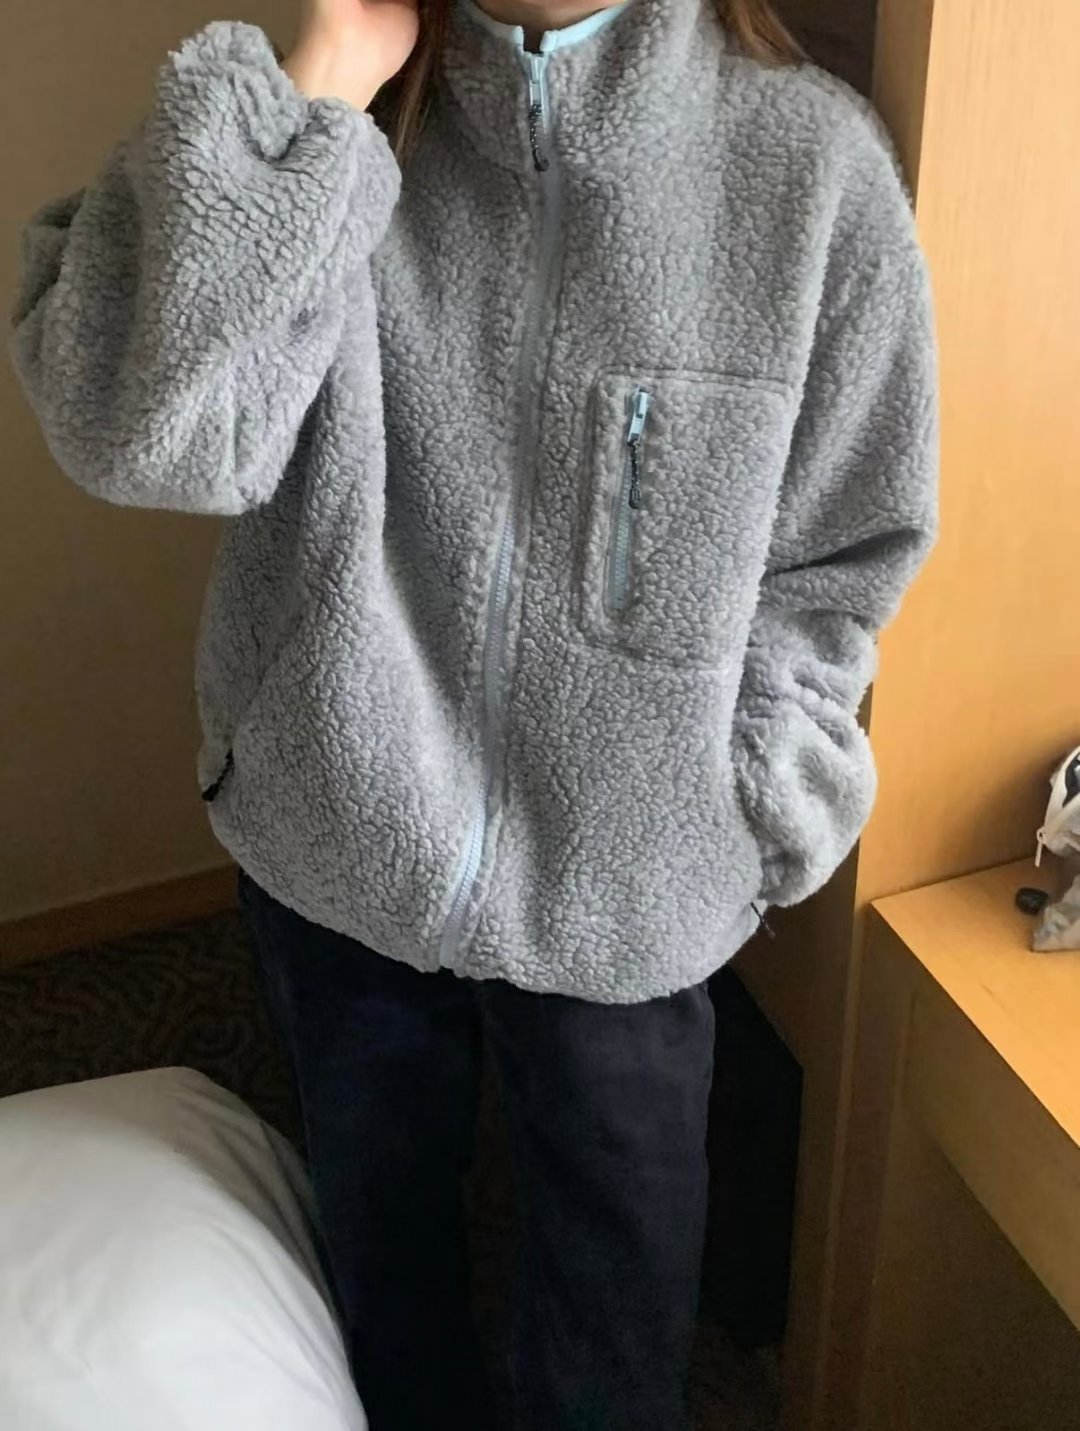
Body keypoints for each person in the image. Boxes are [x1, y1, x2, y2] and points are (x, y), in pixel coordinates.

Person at [8, 0, 940, 1425]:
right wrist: (323, 84)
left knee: (618, 1327)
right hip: (337, 821)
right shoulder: (322, 124)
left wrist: (756, 792)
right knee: (383, 1286)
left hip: (639, 870)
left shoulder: (811, 165)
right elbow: (143, 433)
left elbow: (845, 542)